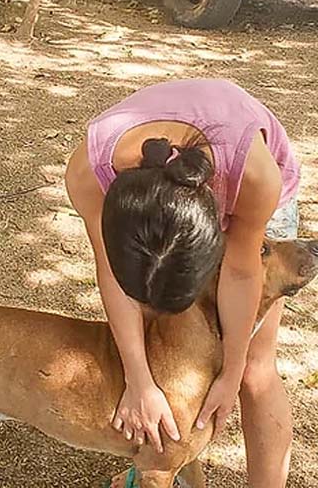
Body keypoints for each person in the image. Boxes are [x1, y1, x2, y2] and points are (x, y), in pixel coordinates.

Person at [63, 78, 301, 488]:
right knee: (163, 344)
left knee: (255, 371)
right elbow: (112, 275)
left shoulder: (256, 178)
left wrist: (231, 372)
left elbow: (242, 272)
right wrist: (139, 381)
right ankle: (173, 460)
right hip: (178, 190)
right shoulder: (88, 175)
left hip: (247, 183)